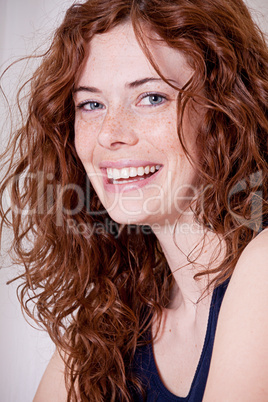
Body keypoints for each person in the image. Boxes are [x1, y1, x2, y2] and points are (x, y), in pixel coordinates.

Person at [0, 0, 268, 400]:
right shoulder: (116, 311)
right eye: (91, 104)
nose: (110, 133)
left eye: (151, 97)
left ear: (226, 110)